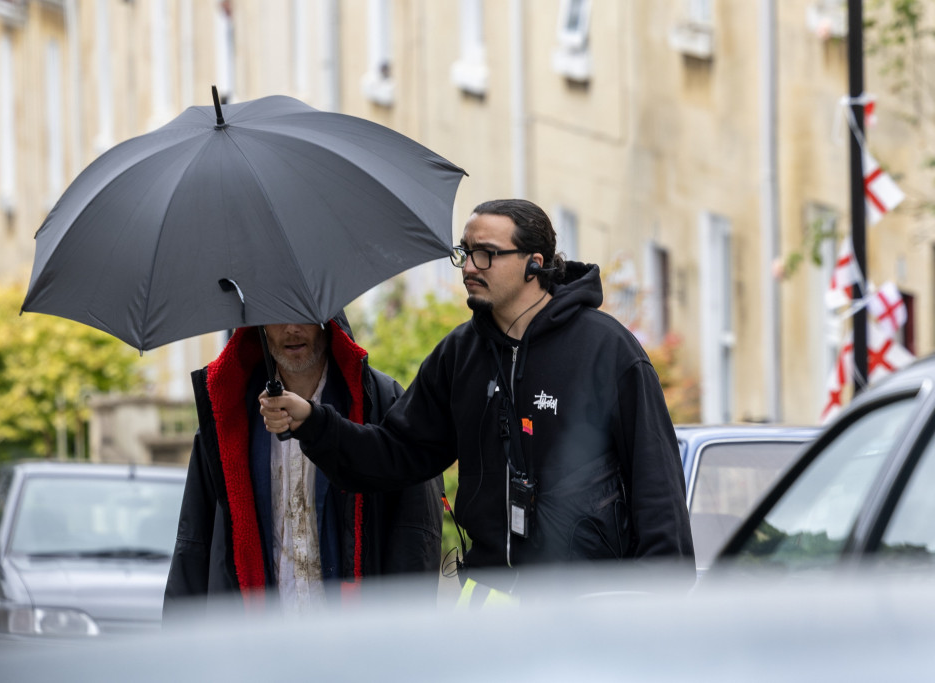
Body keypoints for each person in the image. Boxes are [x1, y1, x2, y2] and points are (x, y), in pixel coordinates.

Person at [261, 199, 695, 592]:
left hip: (588, 605)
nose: (469, 266)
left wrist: (659, 603)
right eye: (464, 252)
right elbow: (394, 454)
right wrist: (312, 422)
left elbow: (657, 489)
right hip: (491, 605)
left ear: (533, 264)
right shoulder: (461, 354)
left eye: (486, 253)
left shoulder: (606, 351)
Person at [163, 317, 444, 618]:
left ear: (327, 316)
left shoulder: (381, 401)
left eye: (302, 316)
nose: (291, 329)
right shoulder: (228, 416)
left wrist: (400, 633)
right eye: (275, 317)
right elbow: (194, 542)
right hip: (259, 636)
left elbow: (416, 536)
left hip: (356, 634)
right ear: (258, 324)